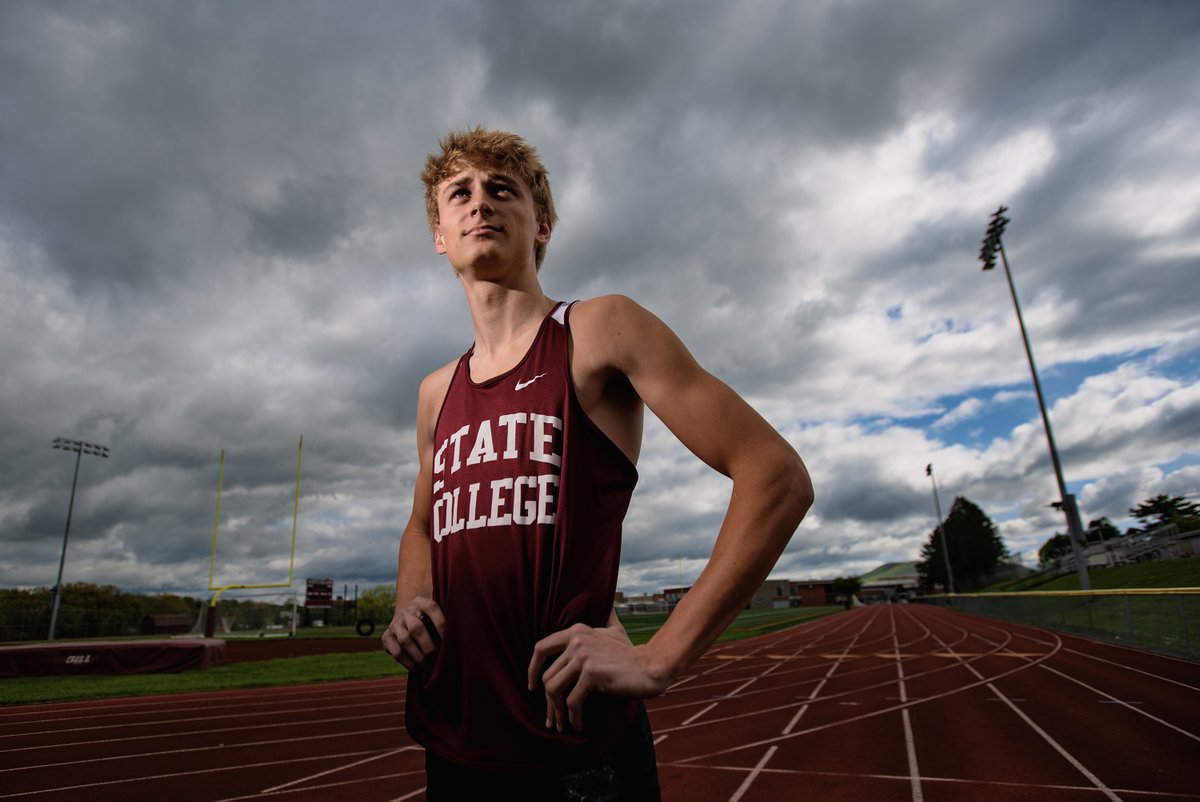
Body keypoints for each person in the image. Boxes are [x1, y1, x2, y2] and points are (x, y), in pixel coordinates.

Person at [382, 126, 813, 800]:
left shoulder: (600, 329)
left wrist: (660, 656)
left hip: (576, 754)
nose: (480, 203)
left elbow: (776, 476)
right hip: (454, 741)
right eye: (459, 193)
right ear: (440, 233)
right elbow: (422, 526)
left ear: (543, 224)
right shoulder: (435, 392)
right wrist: (413, 598)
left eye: (502, 189)